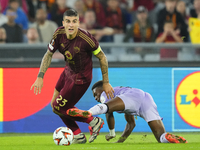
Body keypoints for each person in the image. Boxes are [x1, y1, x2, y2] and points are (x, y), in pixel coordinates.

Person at [30, 9, 114, 144]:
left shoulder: (86, 39)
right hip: (67, 72)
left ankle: (93, 121)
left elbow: (102, 57)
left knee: (59, 107)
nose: (71, 25)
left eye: (74, 22)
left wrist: (106, 82)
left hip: (81, 78)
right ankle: (78, 135)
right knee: (55, 105)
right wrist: (40, 76)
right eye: (68, 21)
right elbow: (48, 54)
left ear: (78, 23)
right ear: (63, 23)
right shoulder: (58, 33)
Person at [67, 80, 188, 144]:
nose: (95, 97)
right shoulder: (120, 96)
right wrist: (121, 140)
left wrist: (112, 133)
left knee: (104, 107)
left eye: (95, 93)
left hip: (131, 96)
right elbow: (131, 124)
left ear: (102, 88)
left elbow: (109, 112)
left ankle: (88, 113)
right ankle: (167, 136)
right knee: (160, 137)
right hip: (145, 98)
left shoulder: (106, 92)